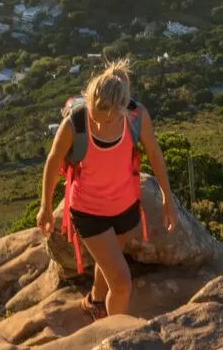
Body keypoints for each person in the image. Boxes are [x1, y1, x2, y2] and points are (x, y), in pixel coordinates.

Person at [37, 60, 177, 318]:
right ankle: (113, 338)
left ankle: (94, 300)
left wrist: (168, 198)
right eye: (96, 115)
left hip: (125, 208)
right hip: (88, 211)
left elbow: (155, 154)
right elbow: (53, 160)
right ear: (88, 101)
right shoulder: (75, 124)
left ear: (123, 108)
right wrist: (45, 206)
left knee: (109, 262)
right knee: (122, 283)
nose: (100, 125)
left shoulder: (137, 118)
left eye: (110, 118)